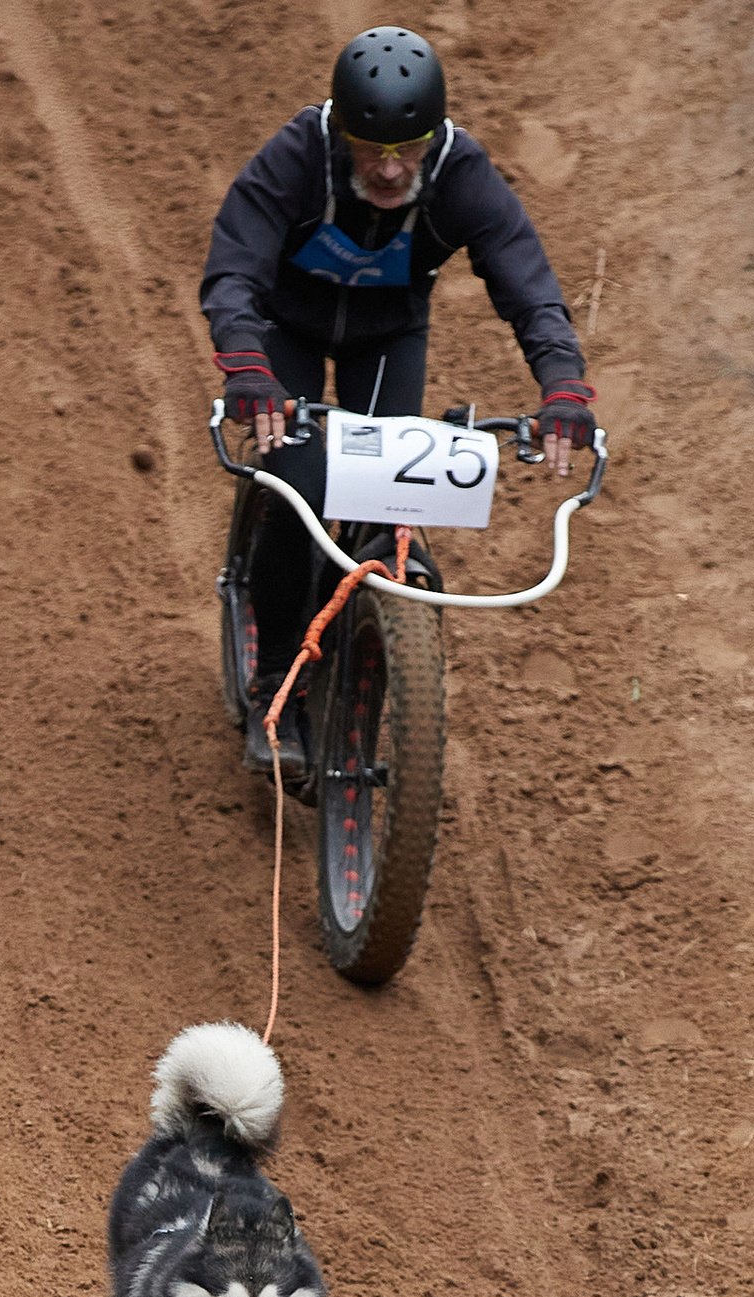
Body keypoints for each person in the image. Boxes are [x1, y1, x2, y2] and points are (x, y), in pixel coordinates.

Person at [202, 25, 597, 771]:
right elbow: (234, 270)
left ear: (435, 135)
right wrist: (248, 365)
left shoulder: (460, 172)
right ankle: (274, 678)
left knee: (389, 506)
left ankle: (366, 644)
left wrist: (564, 386)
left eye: (407, 150)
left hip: (386, 337)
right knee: (302, 483)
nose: (389, 172)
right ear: (341, 132)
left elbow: (530, 287)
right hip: (285, 328)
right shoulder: (297, 156)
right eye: (370, 150)